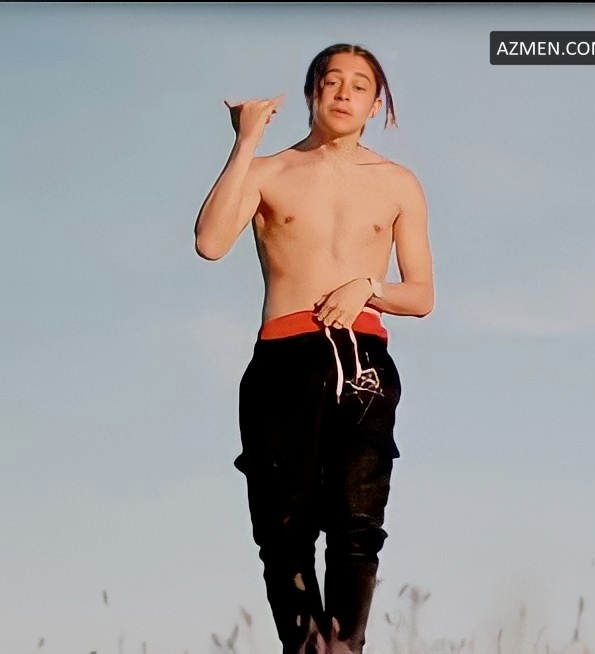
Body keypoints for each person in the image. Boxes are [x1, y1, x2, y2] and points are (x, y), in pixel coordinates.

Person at [194, 43, 434, 654]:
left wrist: (369, 287)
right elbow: (210, 242)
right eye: (332, 81)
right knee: (283, 529)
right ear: (312, 93)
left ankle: (346, 648)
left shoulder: (398, 183)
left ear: (376, 105)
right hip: (283, 358)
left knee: (358, 523)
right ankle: (302, 648)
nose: (345, 92)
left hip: (361, 359)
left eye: (360, 85)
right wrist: (246, 140)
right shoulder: (268, 171)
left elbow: (422, 294)